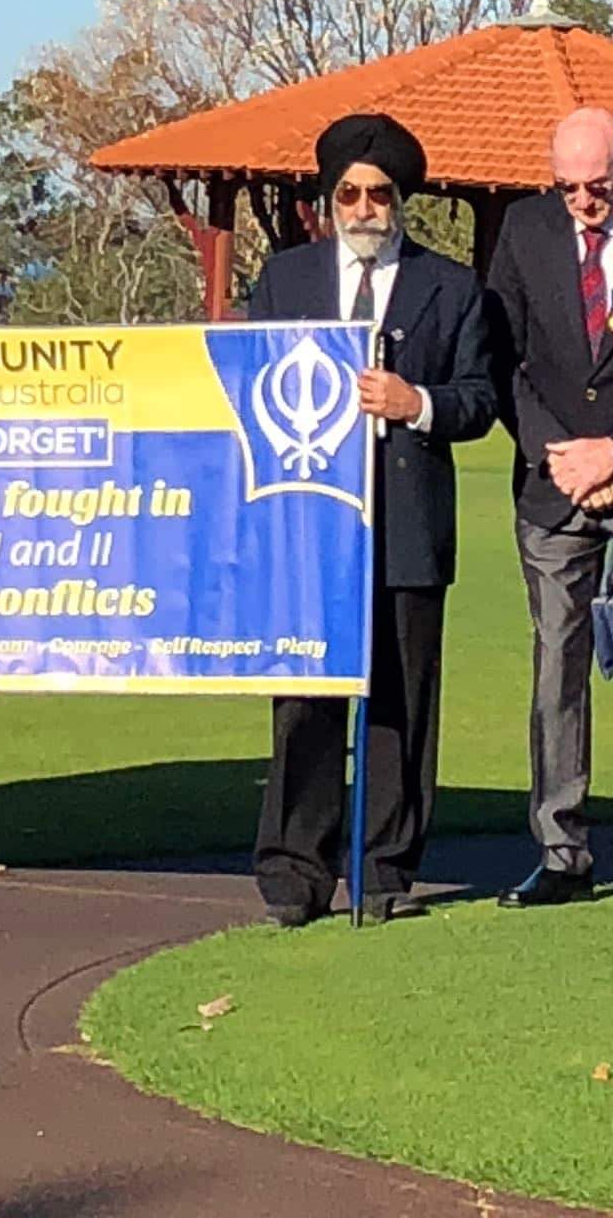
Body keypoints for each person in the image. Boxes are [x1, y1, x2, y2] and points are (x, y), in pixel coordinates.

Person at [250, 113, 497, 926]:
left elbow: (479, 400)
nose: (362, 208)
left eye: (378, 194)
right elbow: (248, 384)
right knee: (306, 703)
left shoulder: (452, 287)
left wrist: (413, 403)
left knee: (400, 702)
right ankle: (296, 871)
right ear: (329, 200)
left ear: (401, 201)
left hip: (409, 523)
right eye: (347, 193)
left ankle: (385, 868)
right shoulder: (285, 282)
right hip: (308, 528)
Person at [487, 106, 613, 908]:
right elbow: (499, 355)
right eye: (568, 188)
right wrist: (558, 454)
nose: (582, 203)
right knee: (558, 671)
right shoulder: (525, 230)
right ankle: (563, 853)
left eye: (597, 186)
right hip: (554, 488)